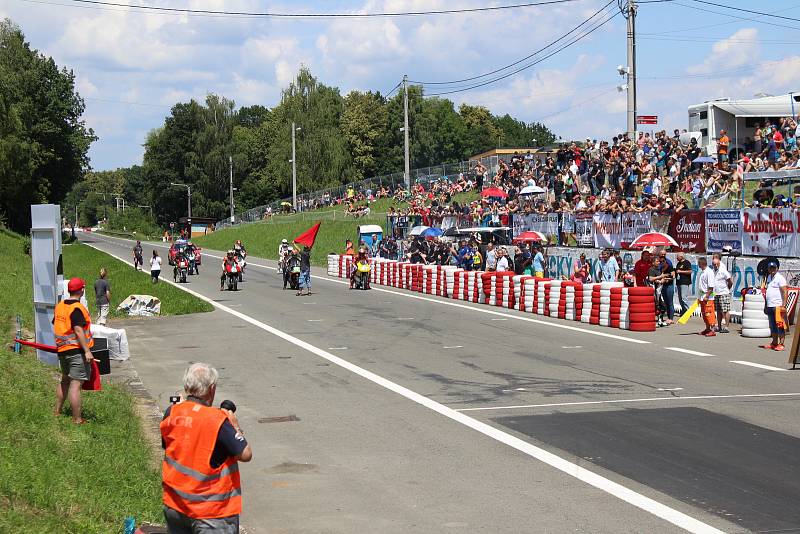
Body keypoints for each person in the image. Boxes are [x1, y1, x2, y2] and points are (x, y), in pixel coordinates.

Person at [161, 363, 252, 534]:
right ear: (212, 389)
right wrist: (235, 426)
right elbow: (246, 454)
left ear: (187, 387)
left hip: (176, 504)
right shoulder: (217, 420)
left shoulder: (172, 412)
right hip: (211, 513)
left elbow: (168, 444)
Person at [53, 278, 94, 424]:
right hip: (76, 351)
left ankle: (57, 411)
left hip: (62, 350)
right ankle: (77, 419)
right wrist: (87, 351)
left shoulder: (60, 306)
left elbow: (57, 325)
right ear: (82, 290)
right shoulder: (77, 308)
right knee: (76, 385)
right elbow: (78, 330)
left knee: (64, 381)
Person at [762, 259, 788, 351]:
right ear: (768, 269)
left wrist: (783, 305)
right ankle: (774, 342)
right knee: (772, 325)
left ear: (777, 268)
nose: (772, 269)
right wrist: (765, 305)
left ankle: (781, 343)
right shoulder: (769, 277)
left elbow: (784, 291)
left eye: (774, 268)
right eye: (771, 268)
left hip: (778, 305)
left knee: (780, 325)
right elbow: (767, 292)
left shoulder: (780, 278)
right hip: (770, 305)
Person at [711, 253, 732, 333]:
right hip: (716, 293)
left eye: (716, 264)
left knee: (725, 310)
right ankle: (719, 326)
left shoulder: (723, 270)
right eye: (714, 264)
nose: (715, 265)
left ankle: (726, 327)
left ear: (719, 262)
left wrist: (727, 289)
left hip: (724, 293)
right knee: (718, 311)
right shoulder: (713, 271)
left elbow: (730, 281)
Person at [697, 257, 716, 336]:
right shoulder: (702, 272)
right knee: (704, 313)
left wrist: (707, 296)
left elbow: (711, 286)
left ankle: (713, 330)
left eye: (699, 263)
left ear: (702, 263)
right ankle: (707, 328)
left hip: (707, 296)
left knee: (709, 313)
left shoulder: (709, 272)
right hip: (702, 295)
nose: (698, 265)